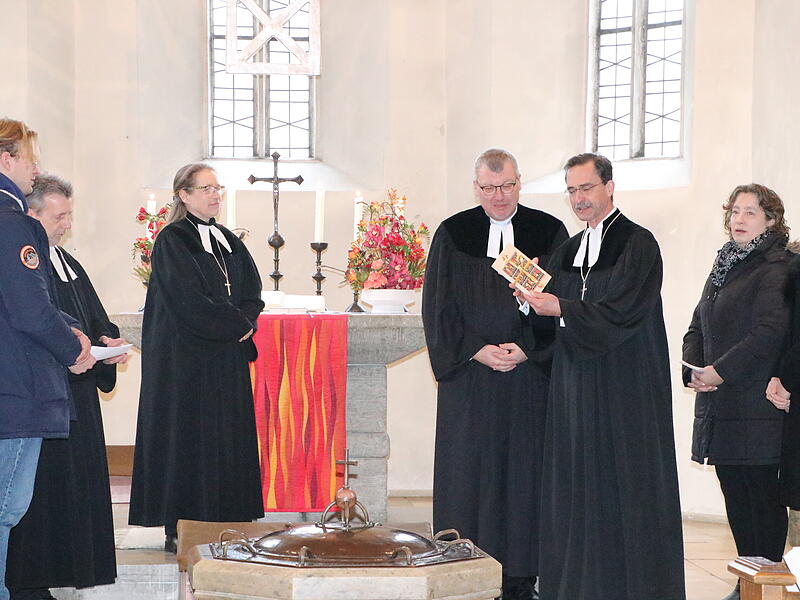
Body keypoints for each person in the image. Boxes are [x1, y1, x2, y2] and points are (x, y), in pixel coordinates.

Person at [516, 153, 685, 600]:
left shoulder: (638, 243)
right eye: (572, 190)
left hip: (624, 385)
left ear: (609, 187)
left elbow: (623, 311)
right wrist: (529, 300)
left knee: (622, 485)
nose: (579, 199)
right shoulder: (568, 249)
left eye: (586, 188)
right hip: (574, 386)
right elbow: (550, 316)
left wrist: (561, 308)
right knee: (577, 486)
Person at [422, 148, 568, 600]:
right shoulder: (453, 233)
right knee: (471, 473)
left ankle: (523, 576)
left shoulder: (548, 231)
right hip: (471, 379)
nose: (499, 196)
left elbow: (563, 302)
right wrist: (474, 350)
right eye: (489, 188)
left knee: (526, 475)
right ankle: (464, 566)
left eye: (507, 186)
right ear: (476, 187)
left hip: (528, 379)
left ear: (519, 183)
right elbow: (437, 307)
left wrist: (528, 349)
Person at [128, 162, 265, 553]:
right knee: (189, 441)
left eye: (217, 188)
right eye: (206, 189)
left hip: (225, 359)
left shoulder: (226, 239)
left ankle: (228, 521)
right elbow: (188, 300)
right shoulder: (172, 240)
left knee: (226, 439)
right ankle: (183, 526)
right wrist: (236, 324)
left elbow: (252, 290)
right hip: (187, 362)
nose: (214, 195)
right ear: (184, 195)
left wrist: (245, 321)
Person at [6, 175, 129, 599]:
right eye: (59, 217)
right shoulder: (25, 263)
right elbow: (37, 321)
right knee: (36, 497)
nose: (66, 225)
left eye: (69, 215)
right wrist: (78, 349)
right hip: (45, 394)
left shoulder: (66, 262)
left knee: (71, 496)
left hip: (78, 397)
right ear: (32, 215)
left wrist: (107, 341)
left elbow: (92, 316)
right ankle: (27, 584)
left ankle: (58, 575)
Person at [0, 118, 94, 600]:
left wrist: (71, 329)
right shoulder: (13, 223)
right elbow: (30, 309)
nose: (36, 170)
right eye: (31, 159)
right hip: (15, 390)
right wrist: (74, 348)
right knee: (5, 509)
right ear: (6, 159)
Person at [684, 184, 792, 600]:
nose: (739, 220)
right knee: (735, 493)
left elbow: (769, 332)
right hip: (721, 404)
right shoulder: (725, 264)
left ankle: (766, 584)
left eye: (750, 212)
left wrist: (720, 371)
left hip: (757, 404)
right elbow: (698, 324)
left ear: (771, 220)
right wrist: (694, 369)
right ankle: (748, 580)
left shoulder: (778, 266)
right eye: (735, 212)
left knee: (761, 497)